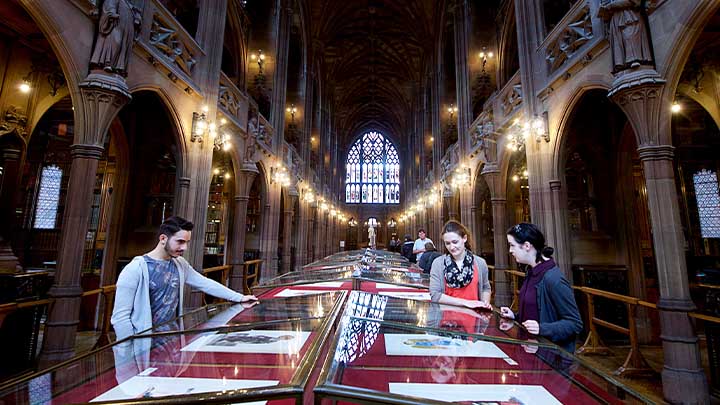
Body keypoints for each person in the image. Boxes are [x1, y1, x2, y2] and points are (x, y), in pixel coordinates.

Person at [111, 216, 257, 340]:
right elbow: (120, 318)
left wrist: (239, 298)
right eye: (180, 242)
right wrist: (126, 354)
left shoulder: (180, 264)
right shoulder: (135, 269)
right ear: (163, 239)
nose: (184, 248)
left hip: (172, 340)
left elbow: (205, 284)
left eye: (187, 242)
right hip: (144, 342)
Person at [500, 222, 583, 353]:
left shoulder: (553, 279)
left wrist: (542, 328)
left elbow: (574, 323)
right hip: (529, 350)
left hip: (549, 358)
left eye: (512, 245)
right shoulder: (531, 272)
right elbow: (536, 312)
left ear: (527, 246)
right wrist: (515, 316)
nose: (510, 250)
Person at [429, 220, 492, 311]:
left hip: (474, 317)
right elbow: (435, 295)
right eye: (448, 243)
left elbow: (485, 288)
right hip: (447, 319)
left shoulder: (480, 263)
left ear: (464, 238)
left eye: (455, 242)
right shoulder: (438, 263)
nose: (451, 247)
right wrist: (466, 303)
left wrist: (485, 303)